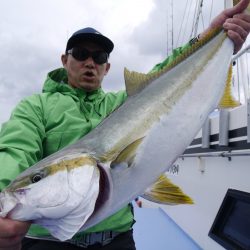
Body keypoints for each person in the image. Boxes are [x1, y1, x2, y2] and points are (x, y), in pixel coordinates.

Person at [0, 1, 250, 249]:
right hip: (48, 241)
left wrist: (210, 37)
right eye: (80, 54)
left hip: (117, 238)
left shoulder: (122, 103)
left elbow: (164, 75)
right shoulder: (36, 106)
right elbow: (14, 151)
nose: (90, 62)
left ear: (107, 67)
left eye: (98, 57)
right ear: (64, 60)